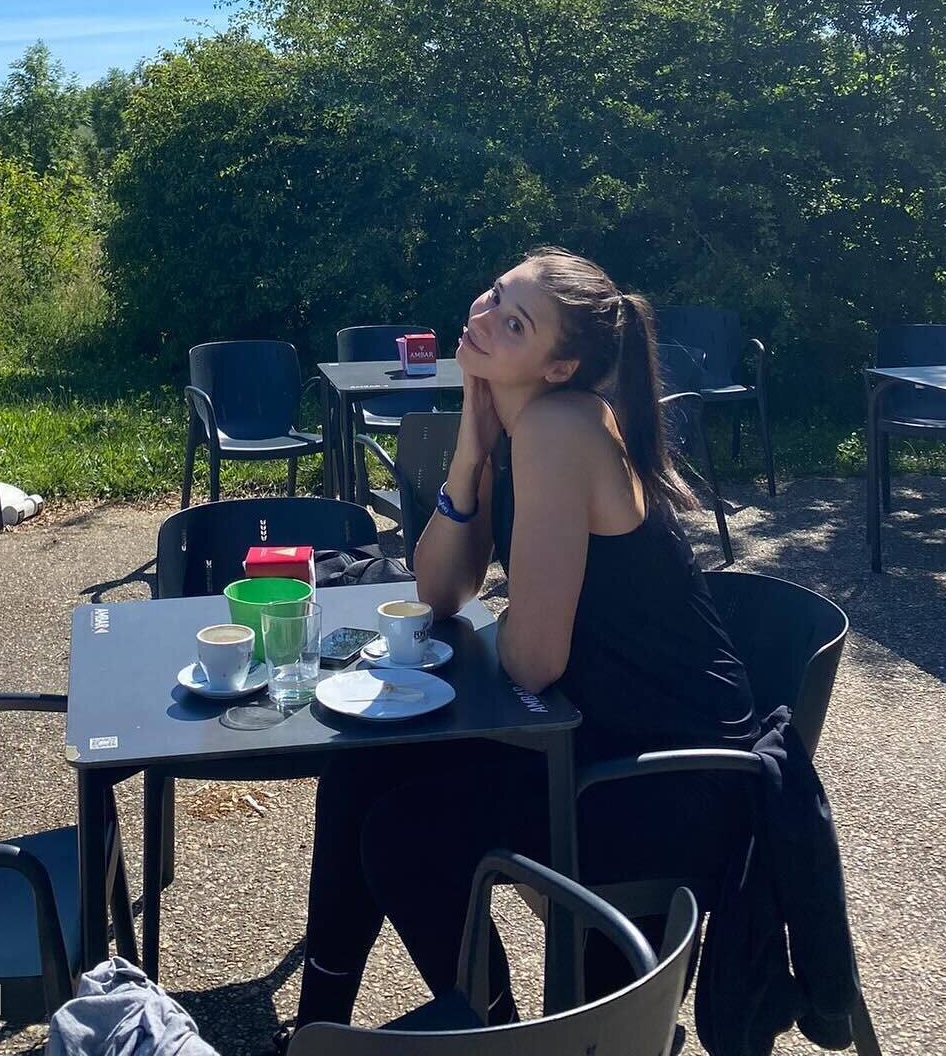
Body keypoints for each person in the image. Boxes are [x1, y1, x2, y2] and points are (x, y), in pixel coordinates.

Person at [293, 246, 758, 1029]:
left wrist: (514, 622)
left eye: (516, 324)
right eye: (493, 297)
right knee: (359, 768)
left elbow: (534, 662)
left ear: (558, 367)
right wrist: (470, 449)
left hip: (665, 780)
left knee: (404, 836)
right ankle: (316, 1028)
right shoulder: (516, 427)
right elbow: (441, 592)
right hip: (593, 732)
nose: (485, 318)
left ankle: (498, 1037)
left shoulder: (557, 429)